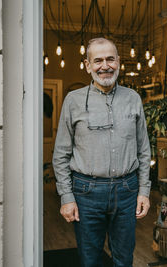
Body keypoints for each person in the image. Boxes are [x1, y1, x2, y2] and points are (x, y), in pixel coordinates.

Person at [52, 37, 151, 267]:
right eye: (97, 60)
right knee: (89, 260)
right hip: (86, 193)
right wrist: (66, 197)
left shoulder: (133, 98)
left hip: (127, 191)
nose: (104, 66)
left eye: (110, 59)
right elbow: (61, 154)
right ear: (88, 65)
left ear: (118, 62)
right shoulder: (73, 101)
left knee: (124, 259)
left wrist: (144, 191)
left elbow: (144, 150)